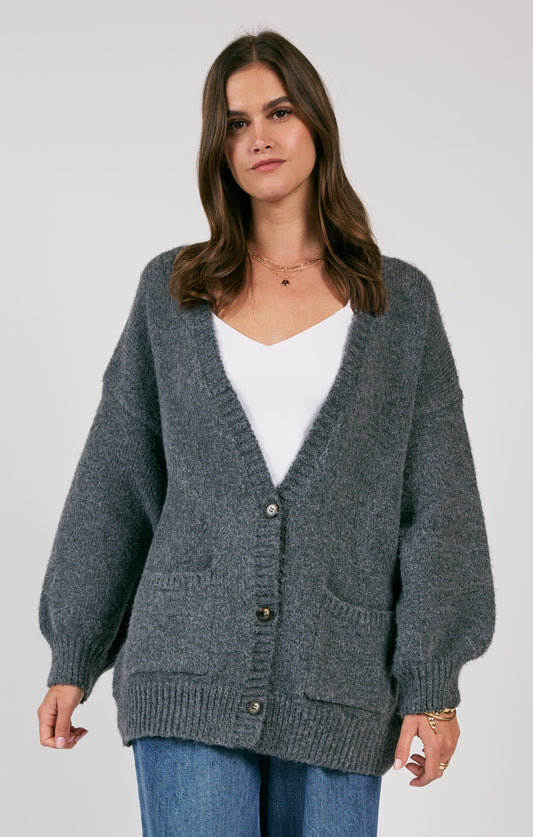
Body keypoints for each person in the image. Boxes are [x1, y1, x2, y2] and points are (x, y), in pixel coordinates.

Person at [37, 29, 496, 837]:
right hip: (185, 670)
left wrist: (432, 683)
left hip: (339, 679)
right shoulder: (171, 293)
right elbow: (115, 478)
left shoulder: (398, 306)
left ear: (315, 122)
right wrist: (74, 651)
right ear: (218, 148)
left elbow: (439, 506)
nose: (259, 137)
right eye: (235, 123)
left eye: (278, 112)